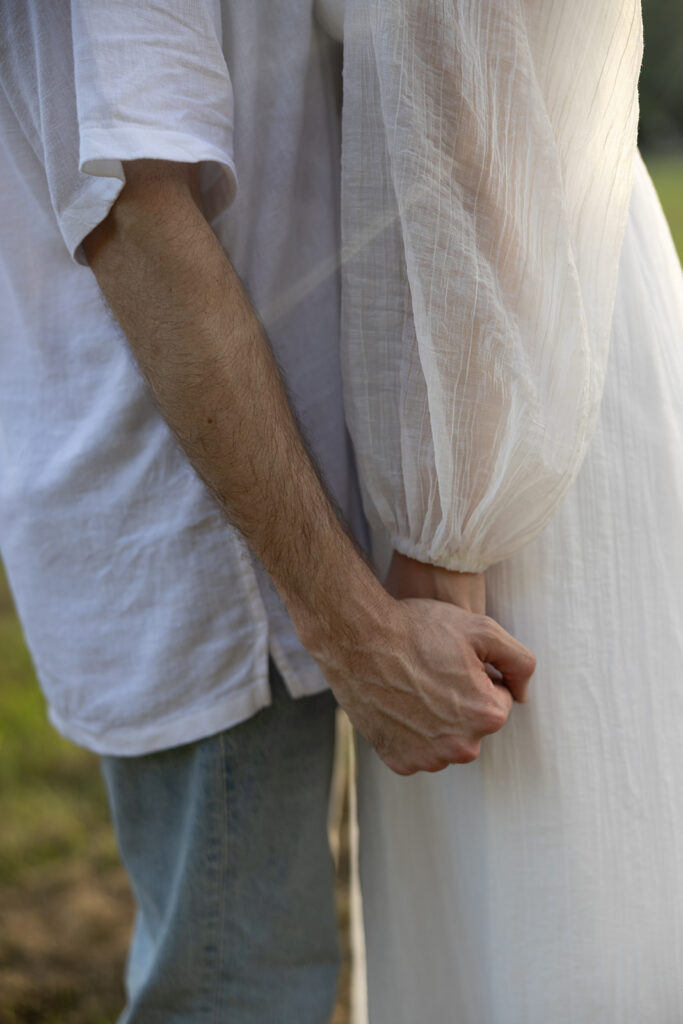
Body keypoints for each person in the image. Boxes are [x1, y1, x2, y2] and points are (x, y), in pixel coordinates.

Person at [0, 2, 535, 1021]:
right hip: (202, 524)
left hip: (279, 511)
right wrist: (350, 625)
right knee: (241, 990)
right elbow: (136, 215)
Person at [331, 0, 683, 1020]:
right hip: (518, 341)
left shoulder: (463, 489)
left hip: (502, 387)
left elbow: (470, 100)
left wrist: (447, 536)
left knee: (560, 885)